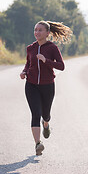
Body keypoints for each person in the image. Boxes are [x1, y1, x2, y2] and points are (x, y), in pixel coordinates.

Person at [20, 20, 72, 156]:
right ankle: (38, 143)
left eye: (40, 30)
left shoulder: (52, 48)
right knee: (35, 114)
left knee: (45, 114)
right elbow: (28, 63)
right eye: (35, 30)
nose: (37, 32)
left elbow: (61, 66)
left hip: (47, 85)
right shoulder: (30, 48)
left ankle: (46, 123)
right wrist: (24, 72)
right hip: (31, 85)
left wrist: (46, 61)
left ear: (47, 33)